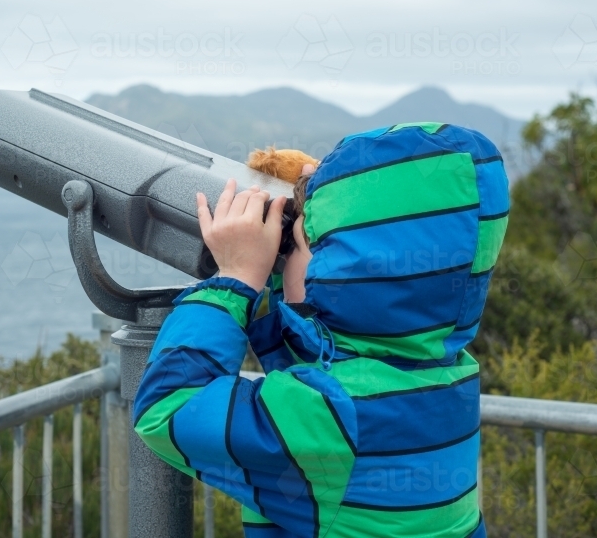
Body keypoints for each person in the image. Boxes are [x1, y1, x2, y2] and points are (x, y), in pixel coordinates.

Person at [133, 123, 508, 537]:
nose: (281, 255)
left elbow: (166, 407)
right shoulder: (445, 372)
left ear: (342, 274)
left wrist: (234, 280)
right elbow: (315, 366)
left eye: (294, 243)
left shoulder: (334, 414)